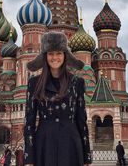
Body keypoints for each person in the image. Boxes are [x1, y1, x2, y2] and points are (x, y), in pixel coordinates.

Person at [23, 31, 92, 166]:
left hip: (71, 143)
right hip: (44, 143)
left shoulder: (77, 82)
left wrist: (87, 155)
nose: (55, 57)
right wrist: (28, 157)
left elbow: (81, 120)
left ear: (65, 55)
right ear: (45, 56)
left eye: (59, 53)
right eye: (51, 53)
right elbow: (29, 121)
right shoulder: (34, 83)